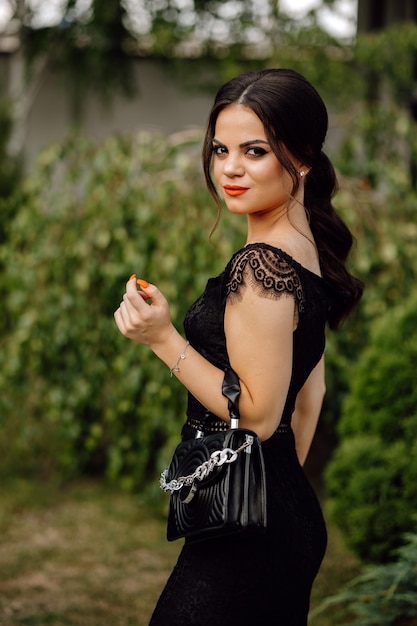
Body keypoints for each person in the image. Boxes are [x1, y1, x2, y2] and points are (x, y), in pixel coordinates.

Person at [114, 68, 363, 626]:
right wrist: (276, 483)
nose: (229, 168)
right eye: (221, 148)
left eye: (254, 151)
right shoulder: (304, 248)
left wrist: (162, 339)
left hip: (248, 533)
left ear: (299, 157)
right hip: (274, 512)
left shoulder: (261, 267)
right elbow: (309, 390)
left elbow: (254, 415)